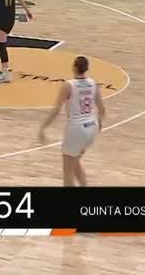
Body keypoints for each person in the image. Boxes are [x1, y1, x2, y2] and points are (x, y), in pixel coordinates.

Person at [39, 56, 105, 186]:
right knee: (75, 163)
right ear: (87, 68)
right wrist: (99, 126)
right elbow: (102, 110)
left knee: (68, 170)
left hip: (76, 129)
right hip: (92, 126)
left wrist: (43, 128)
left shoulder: (68, 86)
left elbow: (56, 110)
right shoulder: (93, 84)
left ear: (74, 67)